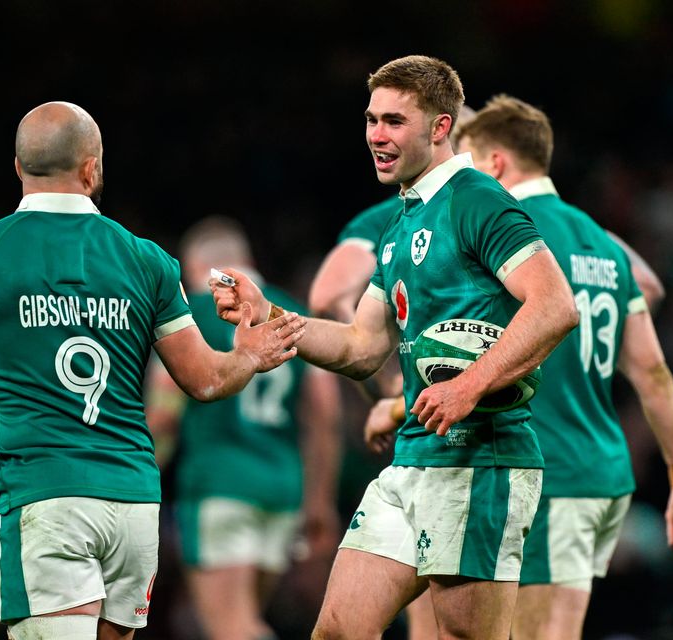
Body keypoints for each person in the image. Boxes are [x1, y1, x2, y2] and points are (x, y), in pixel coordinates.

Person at [0, 101, 306, 640]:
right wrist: (249, 355)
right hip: (134, 508)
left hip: (46, 500)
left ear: (19, 169)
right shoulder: (148, 261)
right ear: (92, 169)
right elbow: (205, 379)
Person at [212, 56, 579, 639]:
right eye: (371, 119)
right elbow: (360, 346)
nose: (376, 136)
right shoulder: (402, 223)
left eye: (393, 122)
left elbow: (556, 305)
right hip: (412, 463)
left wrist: (470, 384)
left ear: (440, 127)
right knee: (336, 631)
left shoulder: (477, 200)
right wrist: (270, 315)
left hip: (480, 462)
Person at [369, 94, 673, 640]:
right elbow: (652, 357)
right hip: (602, 474)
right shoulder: (601, 241)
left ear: (495, 164)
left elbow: (480, 350)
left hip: (549, 470)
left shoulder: (510, 230)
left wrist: (396, 405)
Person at [145, 217, 342, 640]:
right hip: (282, 489)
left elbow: (163, 414)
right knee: (247, 618)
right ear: (246, 261)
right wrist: (320, 499)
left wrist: (140, 483)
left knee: (231, 629)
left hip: (218, 487)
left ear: (195, 268)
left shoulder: (192, 314)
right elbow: (325, 415)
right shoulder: (293, 314)